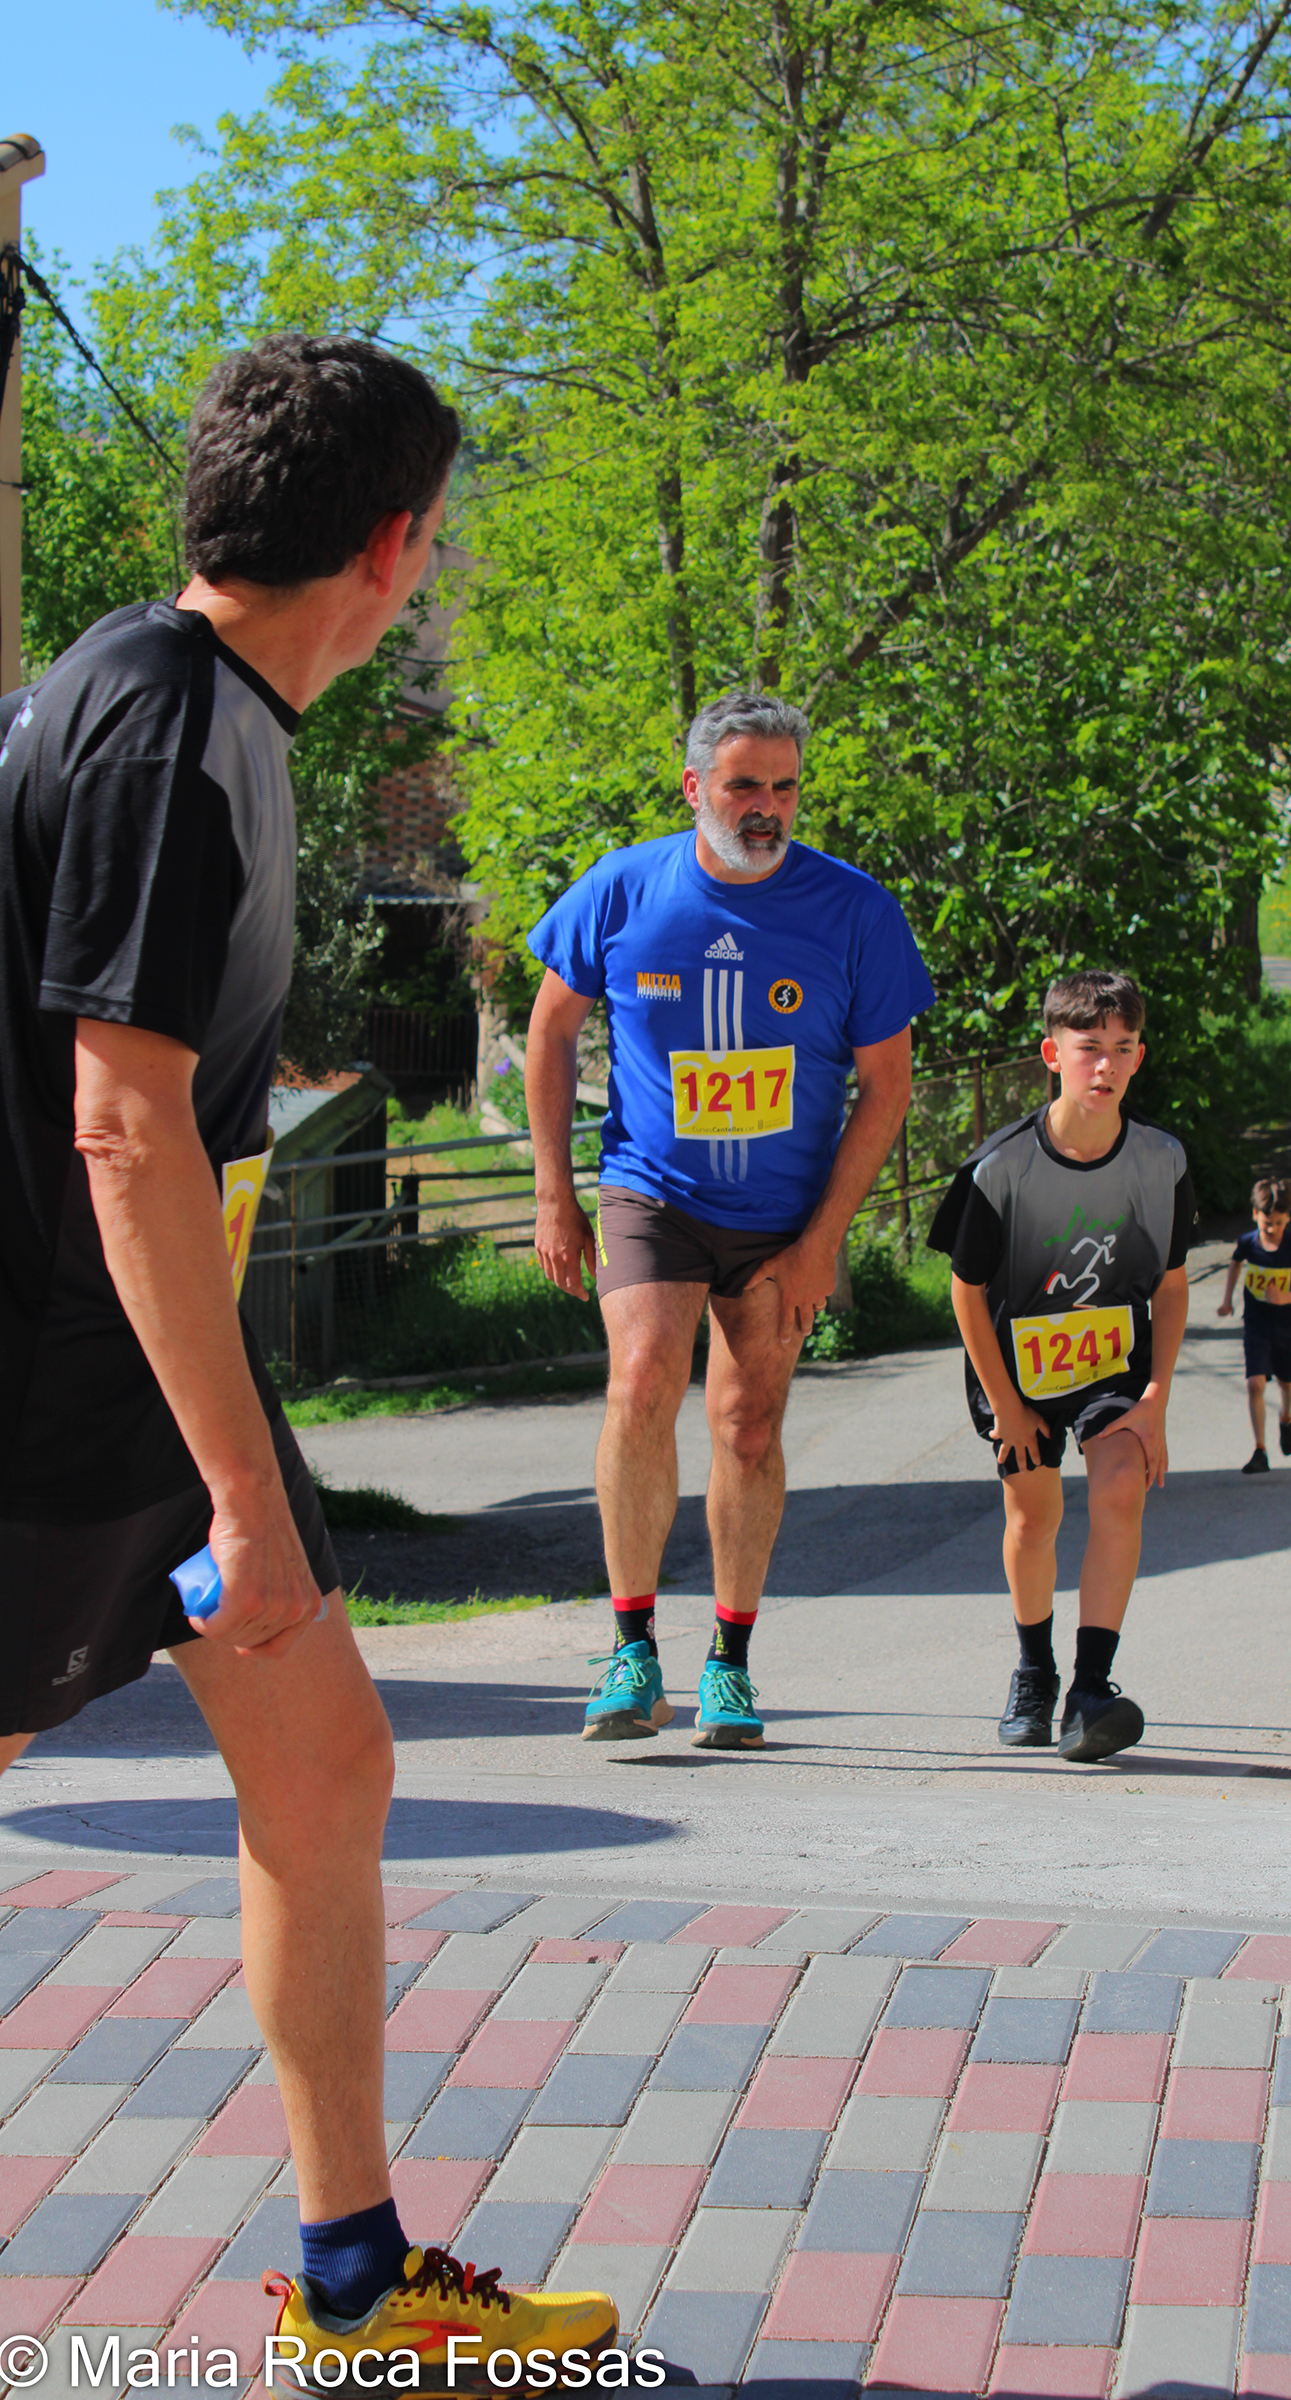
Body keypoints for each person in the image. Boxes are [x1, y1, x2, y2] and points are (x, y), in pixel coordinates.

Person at [0, 335, 619, 2374]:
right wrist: (244, 1494)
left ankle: (354, 2284)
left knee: (329, 1770)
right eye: (435, 544)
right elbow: (120, 1125)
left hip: (132, 1358)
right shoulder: (161, 731)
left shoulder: (185, 709)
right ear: (392, 545)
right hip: (49, 1378)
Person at [526, 689, 933, 1752]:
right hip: (651, 1191)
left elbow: (888, 1087)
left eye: (785, 787)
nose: (768, 807)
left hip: (784, 1215)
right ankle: (630, 1649)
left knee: (748, 1424)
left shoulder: (855, 910)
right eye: (745, 784)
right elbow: (550, 1032)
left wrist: (823, 1242)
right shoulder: (622, 888)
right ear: (694, 787)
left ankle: (729, 1662)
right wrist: (554, 1193)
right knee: (642, 1378)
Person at [929, 970, 1193, 1765]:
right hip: (1019, 1372)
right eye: (1089, 1048)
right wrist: (1006, 1405)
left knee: (1120, 1486)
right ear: (1053, 1054)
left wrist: (1156, 1399)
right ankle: (1034, 1672)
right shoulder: (1000, 1168)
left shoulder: (1162, 1160)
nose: (1105, 1065)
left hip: (1113, 1365)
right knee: (1032, 1517)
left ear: (1139, 1055)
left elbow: (1171, 1286)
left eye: (1122, 1048)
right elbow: (966, 1291)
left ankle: (1091, 1688)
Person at [1216, 1176, 1291, 1473]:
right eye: (1266, 1224)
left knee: (1286, 1382)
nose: (1273, 1229)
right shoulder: (1248, 1243)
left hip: (1288, 1325)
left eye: (1279, 1223)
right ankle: (1259, 1450)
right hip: (1257, 1322)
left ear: (1288, 1218)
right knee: (1254, 1384)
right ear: (1255, 1215)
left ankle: (1286, 1418)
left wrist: (1285, 1298)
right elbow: (1235, 1263)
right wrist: (1227, 1300)